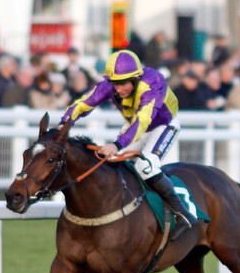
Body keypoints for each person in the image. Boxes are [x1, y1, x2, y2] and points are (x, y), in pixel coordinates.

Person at [58, 49, 196, 240]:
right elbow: (84, 103)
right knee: (111, 162)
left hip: (163, 126)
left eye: (123, 84)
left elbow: (143, 120)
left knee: (146, 166)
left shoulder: (152, 82)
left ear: (136, 78)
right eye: (115, 84)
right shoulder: (112, 85)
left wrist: (117, 144)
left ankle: (183, 214)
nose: (118, 89)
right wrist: (63, 124)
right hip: (136, 128)